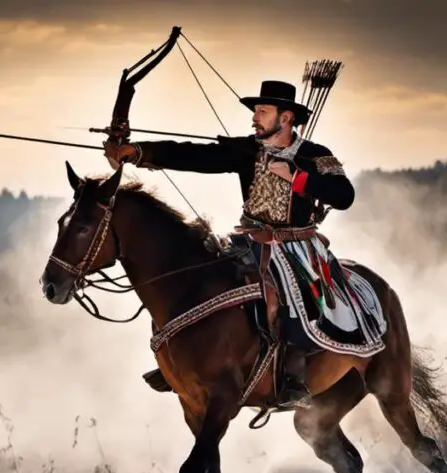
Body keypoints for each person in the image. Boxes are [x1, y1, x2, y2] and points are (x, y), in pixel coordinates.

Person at [104, 80, 356, 409]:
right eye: (256, 111)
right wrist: (138, 152)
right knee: (203, 278)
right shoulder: (248, 150)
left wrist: (297, 178)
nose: (255, 118)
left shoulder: (314, 155)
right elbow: (196, 155)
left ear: (286, 118)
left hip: (296, 246)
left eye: (262, 111)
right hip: (249, 239)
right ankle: (185, 356)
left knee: (289, 294)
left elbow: (344, 195)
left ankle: (293, 374)